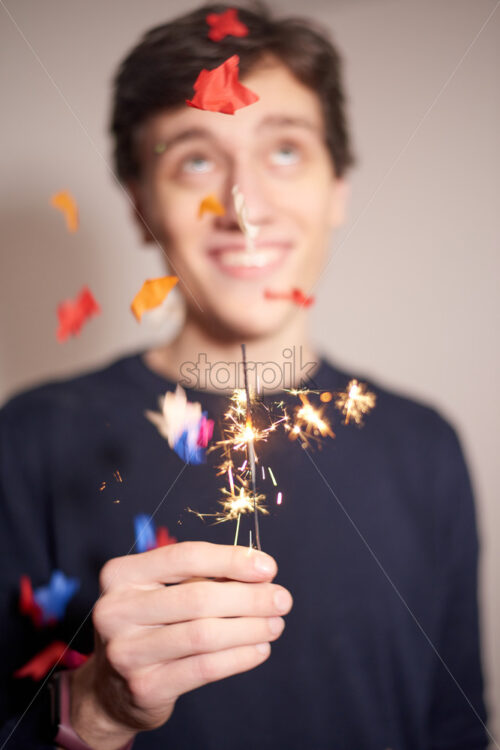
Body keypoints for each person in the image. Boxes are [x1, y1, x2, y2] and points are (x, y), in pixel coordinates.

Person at [0, 3, 489, 748]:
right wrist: (94, 710)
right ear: (140, 205)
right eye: (195, 158)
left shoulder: (426, 447)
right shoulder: (29, 439)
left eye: (285, 150)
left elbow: (456, 724)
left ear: (338, 188)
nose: (243, 205)